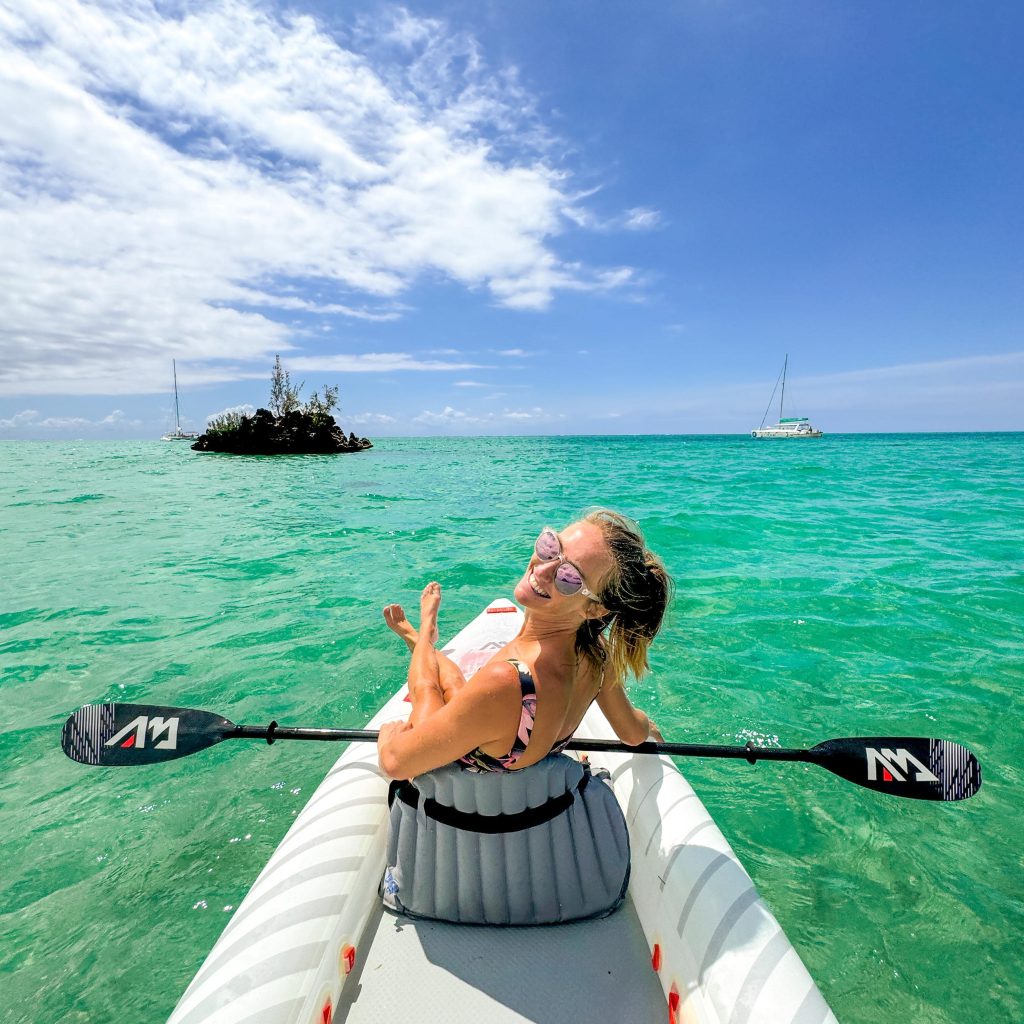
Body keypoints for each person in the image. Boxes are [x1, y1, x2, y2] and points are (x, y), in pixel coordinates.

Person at [377, 509, 672, 781]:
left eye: (569, 577)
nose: (542, 570)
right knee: (454, 683)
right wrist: (648, 725)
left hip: (475, 753)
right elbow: (632, 733)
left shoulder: (508, 681)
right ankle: (420, 639)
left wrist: (388, 740)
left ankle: (424, 630)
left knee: (428, 689)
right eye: (550, 547)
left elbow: (396, 764)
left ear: (594, 609)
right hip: (507, 733)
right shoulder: (596, 655)